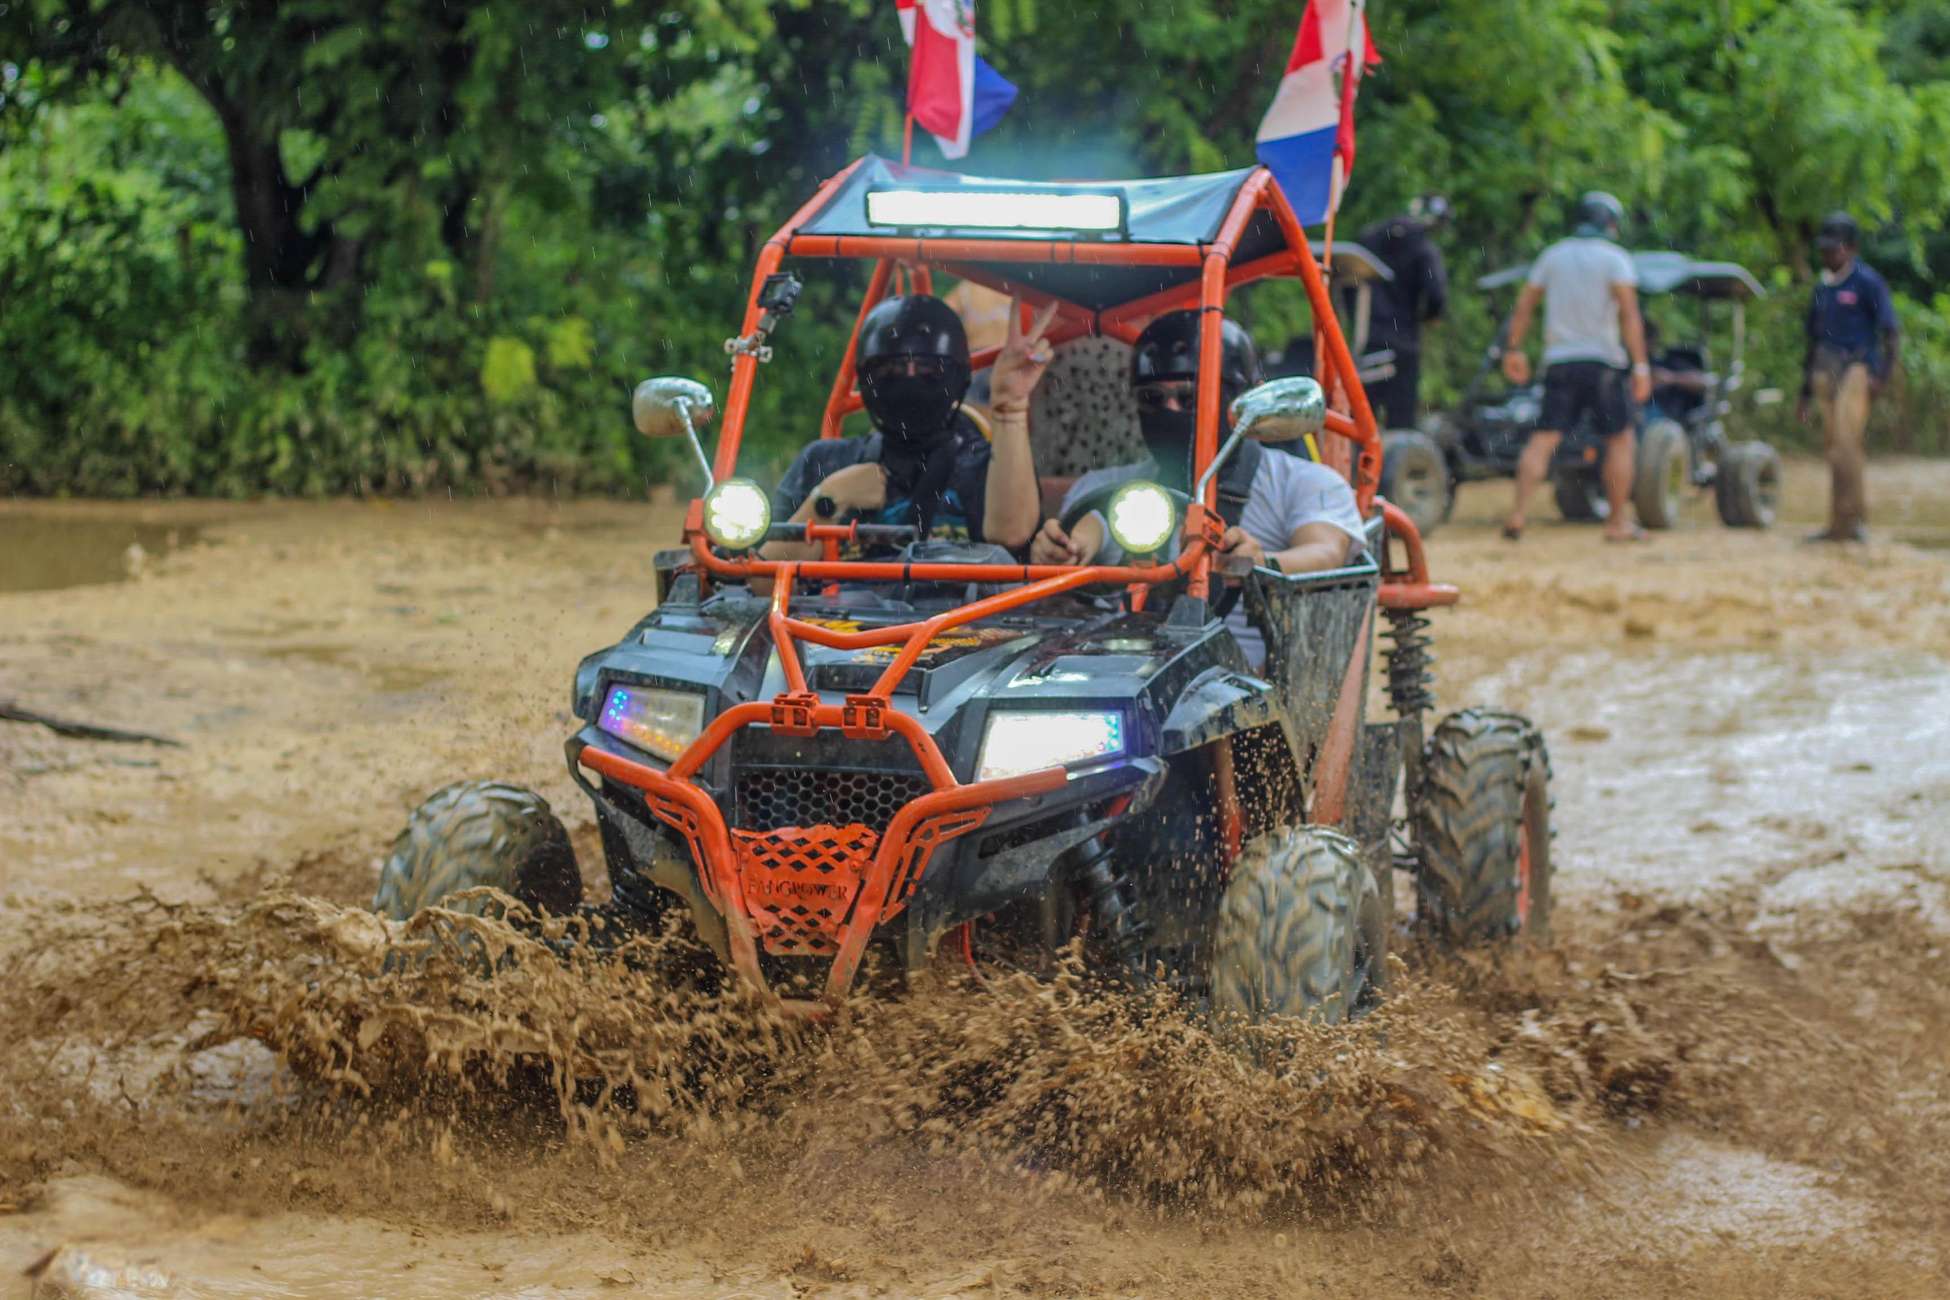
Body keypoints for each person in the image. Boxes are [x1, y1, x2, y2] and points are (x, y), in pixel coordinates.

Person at [1027, 310, 1366, 668]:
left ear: (1240, 402)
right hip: (1122, 675)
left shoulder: (1305, 482)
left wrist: (1262, 563)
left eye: (1189, 398)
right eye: (1152, 398)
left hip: (1253, 682)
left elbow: (1327, 551)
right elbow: (1092, 526)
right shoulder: (1107, 488)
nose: (1170, 411)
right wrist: (1065, 550)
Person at [759, 293, 1051, 569]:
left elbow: (1013, 536)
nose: (910, 381)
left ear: (957, 378)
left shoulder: (987, 467)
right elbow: (762, 581)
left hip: (961, 607)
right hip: (832, 607)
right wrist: (828, 501)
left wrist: (1010, 407)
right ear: (867, 379)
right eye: (891, 370)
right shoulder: (825, 461)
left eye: (929, 370)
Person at [1498, 191, 1652, 542]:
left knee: (1543, 438)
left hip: (1561, 362)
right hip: (1603, 364)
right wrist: (1641, 365)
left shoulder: (1552, 256)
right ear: (1610, 223)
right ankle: (1617, 522)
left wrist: (1513, 349)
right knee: (1620, 439)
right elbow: (1629, 315)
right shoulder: (1615, 259)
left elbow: (1524, 306)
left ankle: (1518, 515)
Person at [1797, 211, 1899, 543]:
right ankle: (1837, 523)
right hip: (1824, 372)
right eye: (1824, 248)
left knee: (1846, 446)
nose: (1827, 254)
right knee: (1833, 448)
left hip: (1856, 369)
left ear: (1851, 248)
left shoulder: (1868, 282)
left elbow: (1891, 332)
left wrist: (1881, 376)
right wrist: (1804, 393)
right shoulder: (1822, 288)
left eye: (1835, 248)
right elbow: (1812, 341)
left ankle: (1853, 521)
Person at [1355, 193, 1451, 428]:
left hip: (1366, 337)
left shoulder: (1371, 237)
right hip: (1403, 341)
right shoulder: (1423, 248)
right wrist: (1431, 315)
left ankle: (1357, 451)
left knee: (1361, 415)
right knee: (1401, 418)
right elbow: (1436, 293)